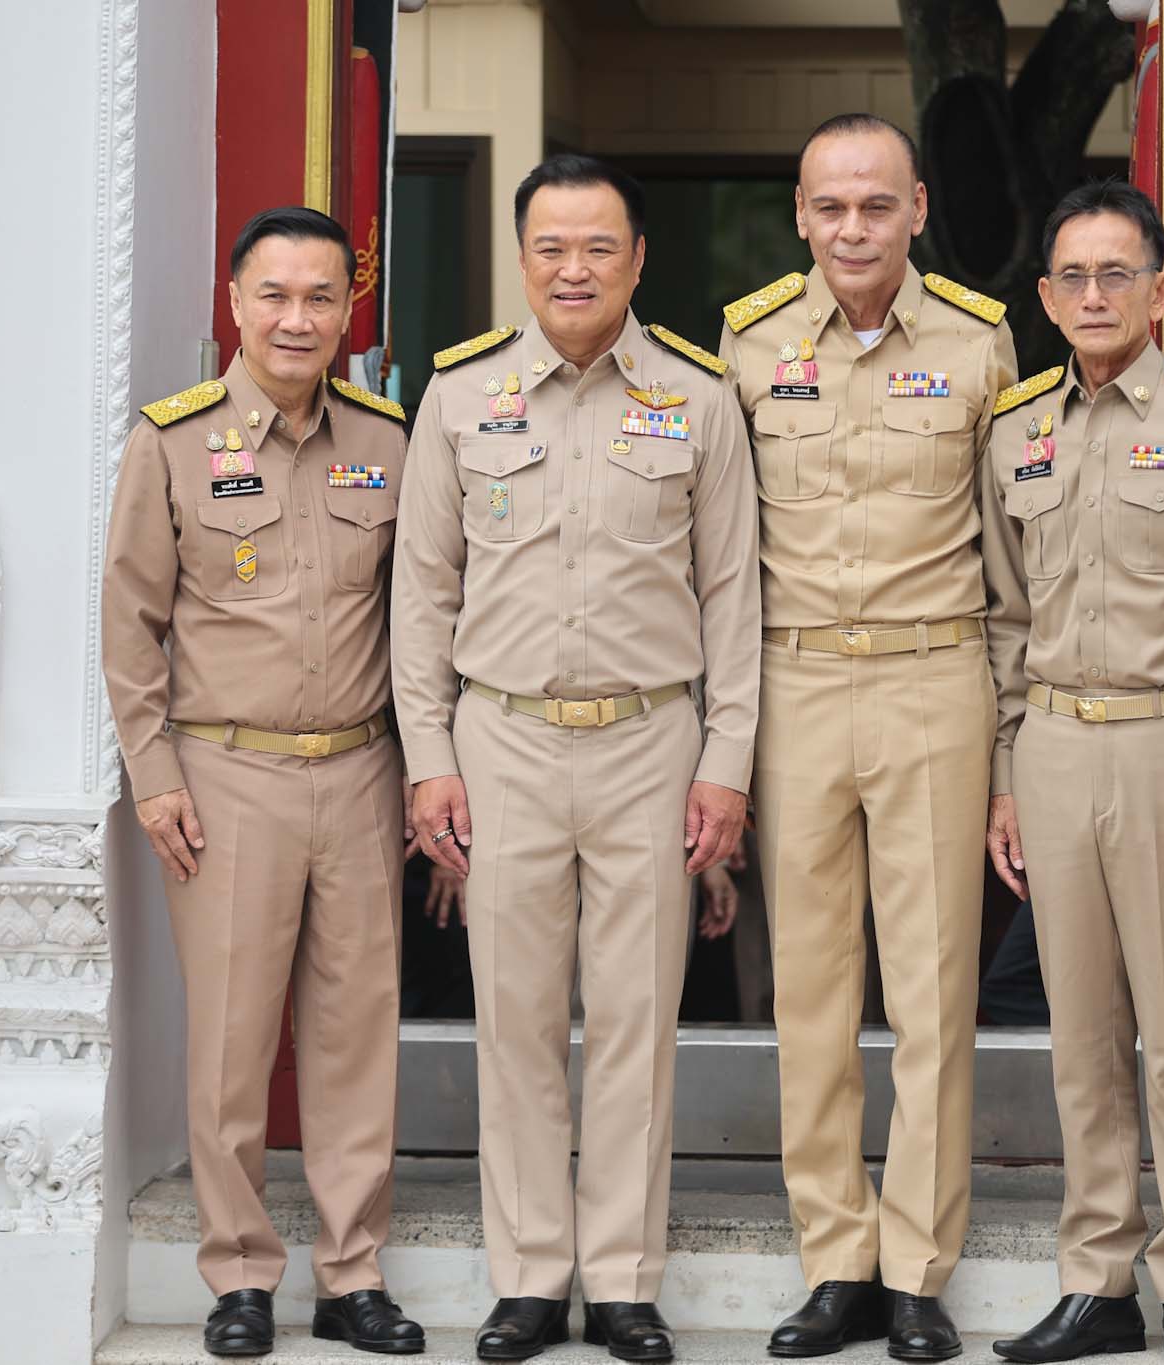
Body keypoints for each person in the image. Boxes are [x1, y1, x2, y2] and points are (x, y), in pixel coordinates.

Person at [394, 153, 761, 1364]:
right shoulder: (459, 397)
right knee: (512, 1022)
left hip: (651, 742)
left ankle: (622, 1278)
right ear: (520, 257)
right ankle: (528, 1277)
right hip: (498, 740)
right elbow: (422, 592)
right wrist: (429, 756)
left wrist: (725, 764)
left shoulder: (698, 399)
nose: (573, 267)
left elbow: (731, 601)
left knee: (634, 1024)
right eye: (550, 246)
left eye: (598, 246)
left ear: (638, 259)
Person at [718, 113, 1018, 1363]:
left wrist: (1006, 754)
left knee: (936, 989)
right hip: (791, 690)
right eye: (830, 208)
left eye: (875, 207)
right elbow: (720, 564)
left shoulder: (980, 342)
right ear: (799, 214)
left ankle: (917, 1268)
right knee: (811, 996)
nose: (852, 229)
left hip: (933, 684)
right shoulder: (742, 346)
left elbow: (1012, 559)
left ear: (917, 210)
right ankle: (834, 1258)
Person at [102, 206, 425, 1358]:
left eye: (321, 297)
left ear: (350, 310)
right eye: (275, 296)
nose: (298, 318)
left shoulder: (390, 440)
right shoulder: (173, 442)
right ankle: (238, 1276)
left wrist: (423, 777)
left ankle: (352, 1275)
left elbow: (422, 622)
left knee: (354, 1036)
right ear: (235, 306)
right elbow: (131, 627)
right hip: (222, 774)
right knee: (233, 1043)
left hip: (359, 773)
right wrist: (153, 775)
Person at [979, 180, 1164, 1365]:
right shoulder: (1013, 431)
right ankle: (1095, 1278)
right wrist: (1008, 773)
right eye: (1073, 276)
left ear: (1158, 290)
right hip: (1052, 745)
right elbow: (1006, 617)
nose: (1094, 294)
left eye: (1118, 274)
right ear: (1047, 296)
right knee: (1079, 1034)